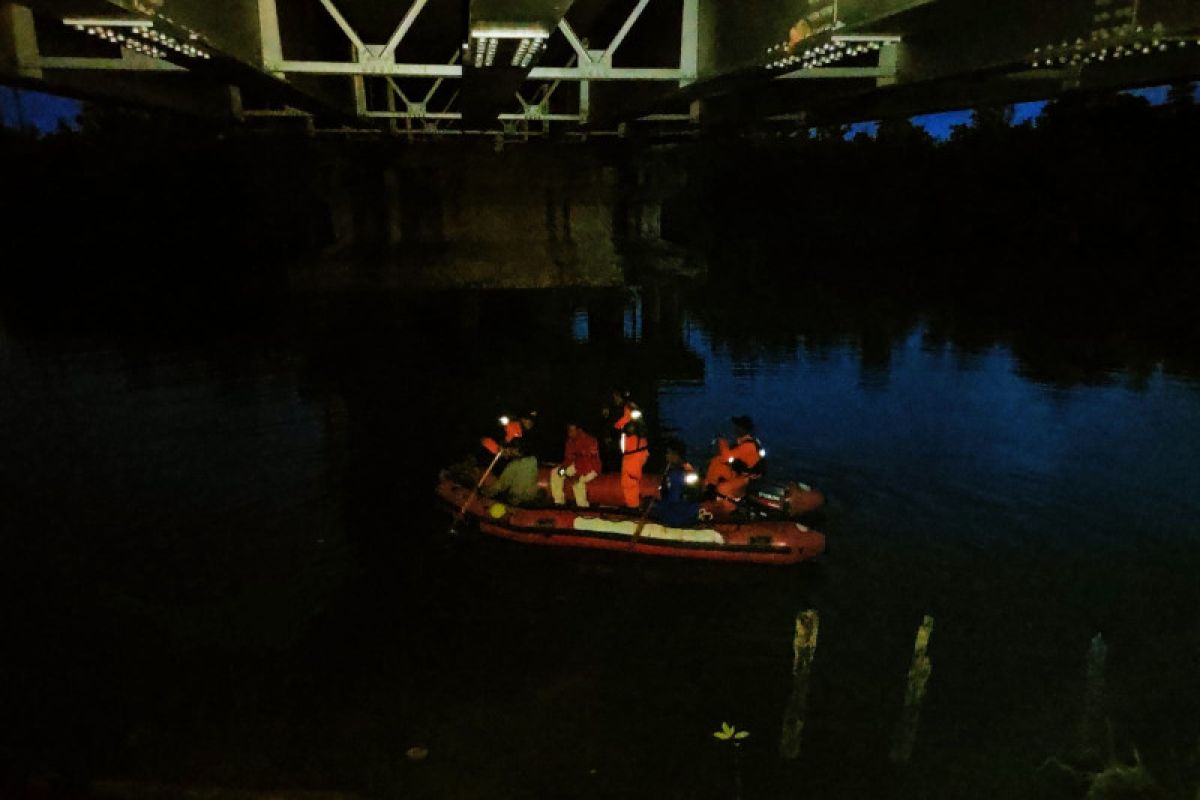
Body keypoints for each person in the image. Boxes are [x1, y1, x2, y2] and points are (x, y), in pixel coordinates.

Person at [704, 415, 764, 503]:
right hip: (738, 474)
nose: (735, 429)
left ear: (743, 429)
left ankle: (714, 498)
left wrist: (722, 441)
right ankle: (710, 489)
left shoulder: (748, 446)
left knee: (722, 488)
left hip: (741, 479)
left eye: (738, 426)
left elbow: (725, 457)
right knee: (716, 461)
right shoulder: (745, 443)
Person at [550, 422, 601, 507]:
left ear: (579, 430)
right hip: (576, 467)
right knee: (556, 473)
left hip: (591, 469)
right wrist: (562, 469)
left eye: (572, 430)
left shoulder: (590, 440)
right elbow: (568, 459)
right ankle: (559, 502)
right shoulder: (570, 442)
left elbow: (589, 461)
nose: (569, 433)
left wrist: (578, 475)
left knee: (578, 482)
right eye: (568, 430)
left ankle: (583, 507)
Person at [656, 440, 704, 527]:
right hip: (674, 511)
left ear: (676, 455)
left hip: (681, 514)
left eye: (668, 453)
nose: (666, 456)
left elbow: (691, 496)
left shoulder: (687, 472)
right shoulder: (669, 472)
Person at [481, 439, 541, 505]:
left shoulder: (515, 465)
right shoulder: (533, 460)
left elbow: (502, 484)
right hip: (527, 496)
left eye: (506, 449)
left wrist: (487, 492)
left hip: (517, 499)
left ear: (516, 450)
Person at [617, 406, 650, 509]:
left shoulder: (629, 419)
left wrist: (626, 417)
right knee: (632, 480)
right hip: (636, 453)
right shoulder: (637, 418)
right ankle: (634, 504)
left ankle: (633, 507)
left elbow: (619, 427)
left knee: (629, 482)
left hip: (633, 455)